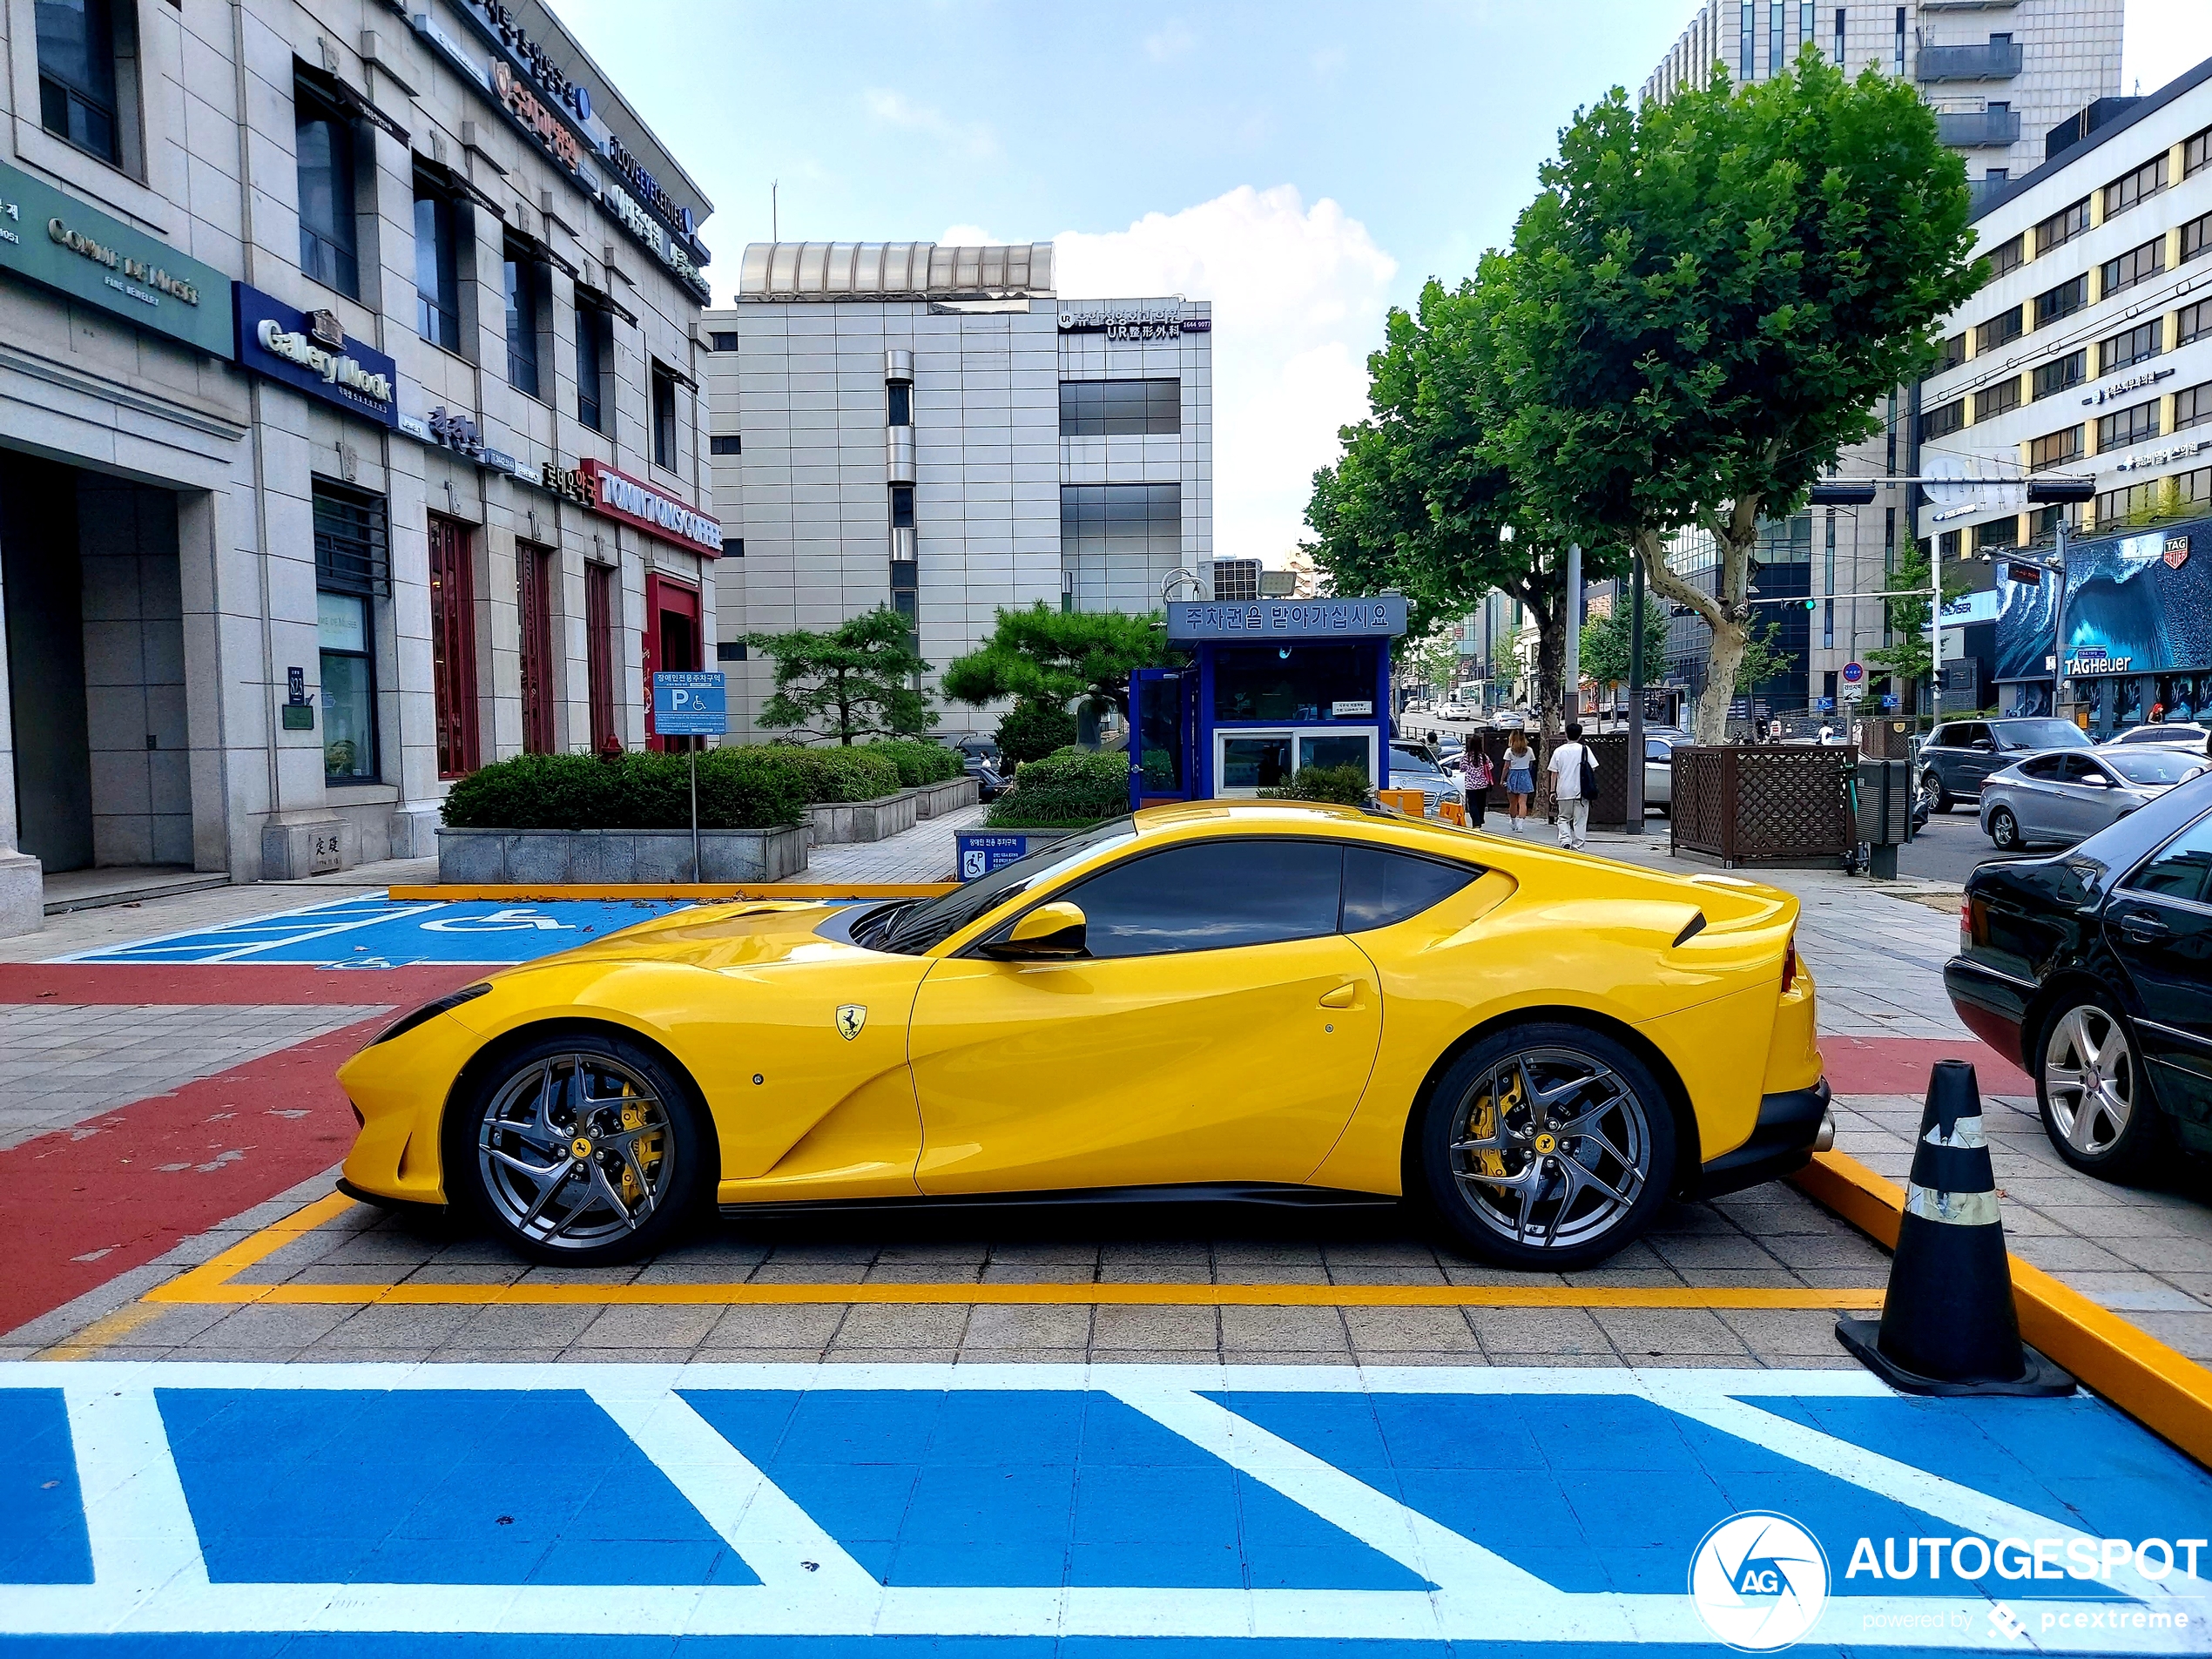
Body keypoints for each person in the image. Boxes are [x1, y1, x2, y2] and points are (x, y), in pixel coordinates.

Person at [1548, 721, 1595, 851]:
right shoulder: (1585, 749)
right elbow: (1593, 768)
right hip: (1581, 791)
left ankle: (1565, 840)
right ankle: (1578, 846)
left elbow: (1554, 772)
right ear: (1580, 736)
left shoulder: (1559, 751)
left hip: (1563, 790)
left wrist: (1552, 791)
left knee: (1563, 818)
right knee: (1580, 820)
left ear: (1566, 735)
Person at [1502, 731, 1536, 834]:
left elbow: (1506, 767)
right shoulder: (1529, 750)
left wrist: (1502, 779)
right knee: (1523, 802)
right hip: (1525, 774)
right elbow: (1531, 763)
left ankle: (1513, 821)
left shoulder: (1509, 751)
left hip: (1513, 775)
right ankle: (1520, 824)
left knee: (1513, 802)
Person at [1462, 738, 1494, 831]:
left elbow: (1462, 768)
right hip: (1482, 784)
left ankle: (1476, 823)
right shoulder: (1484, 757)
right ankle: (1480, 819)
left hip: (1470, 785)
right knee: (1481, 803)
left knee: (1472, 804)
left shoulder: (1466, 757)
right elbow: (1491, 766)